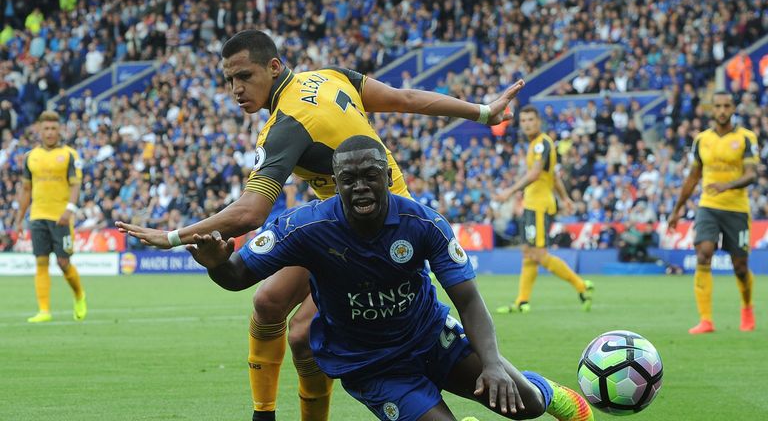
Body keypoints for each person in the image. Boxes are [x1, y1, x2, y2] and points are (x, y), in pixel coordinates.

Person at [115, 29, 525, 421]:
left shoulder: (284, 128)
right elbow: (406, 98)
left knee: (301, 335)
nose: (236, 89)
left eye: (244, 76)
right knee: (267, 303)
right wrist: (482, 111)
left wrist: (171, 236)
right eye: (229, 80)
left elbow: (251, 212)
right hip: (355, 219)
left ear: (273, 66)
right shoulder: (329, 77)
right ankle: (264, 412)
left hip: (377, 232)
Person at [187, 136, 593, 421]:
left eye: (370, 175)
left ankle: (552, 395)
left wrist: (492, 364)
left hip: (432, 339)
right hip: (371, 366)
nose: (360, 186)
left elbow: (467, 299)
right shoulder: (306, 227)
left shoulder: (422, 222)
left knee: (526, 407)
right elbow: (238, 277)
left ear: (387, 176)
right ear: (336, 184)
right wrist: (216, 263)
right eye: (348, 179)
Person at [669, 91, 758, 334]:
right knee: (704, 253)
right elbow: (693, 177)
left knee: (740, 267)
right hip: (708, 206)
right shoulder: (702, 140)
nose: (721, 110)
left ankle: (747, 307)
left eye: (726, 106)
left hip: (736, 209)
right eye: (717, 106)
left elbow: (752, 174)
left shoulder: (746, 138)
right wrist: (676, 210)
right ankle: (706, 320)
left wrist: (726, 186)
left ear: (733, 108)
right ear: (712, 109)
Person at [494, 106, 594, 314]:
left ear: (539, 121)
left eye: (531, 119)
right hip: (533, 205)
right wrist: (565, 198)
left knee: (538, 253)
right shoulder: (536, 145)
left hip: (539, 206)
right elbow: (553, 176)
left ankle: (581, 286)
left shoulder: (541, 144)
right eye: (523, 120)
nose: (527, 124)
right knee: (528, 254)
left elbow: (535, 174)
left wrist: (509, 191)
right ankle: (522, 301)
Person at [14, 110, 87, 323]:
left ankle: (79, 295)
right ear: (39, 130)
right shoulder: (30, 157)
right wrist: (19, 218)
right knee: (41, 261)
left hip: (61, 217)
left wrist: (70, 209)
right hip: (37, 216)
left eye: (53, 128)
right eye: (46, 128)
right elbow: (26, 190)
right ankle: (44, 310)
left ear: (59, 130)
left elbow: (76, 185)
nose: (50, 132)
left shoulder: (70, 155)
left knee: (63, 262)